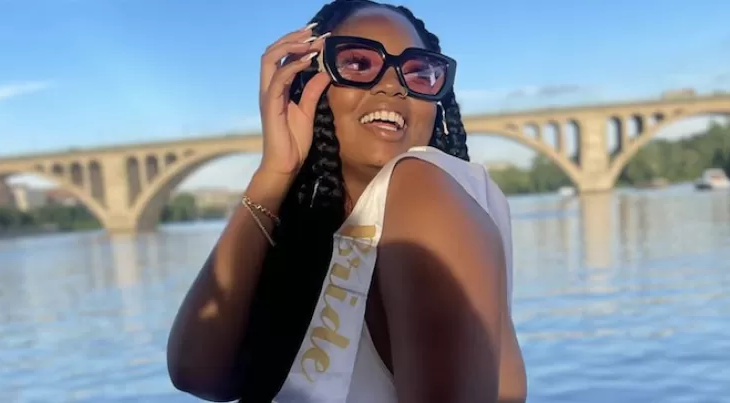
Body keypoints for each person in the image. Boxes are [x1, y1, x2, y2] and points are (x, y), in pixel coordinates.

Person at [166, 1, 527, 402]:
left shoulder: (423, 188)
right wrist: (275, 173)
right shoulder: (319, 232)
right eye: (358, 63)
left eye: (418, 71)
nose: (391, 85)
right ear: (310, 83)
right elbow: (197, 374)